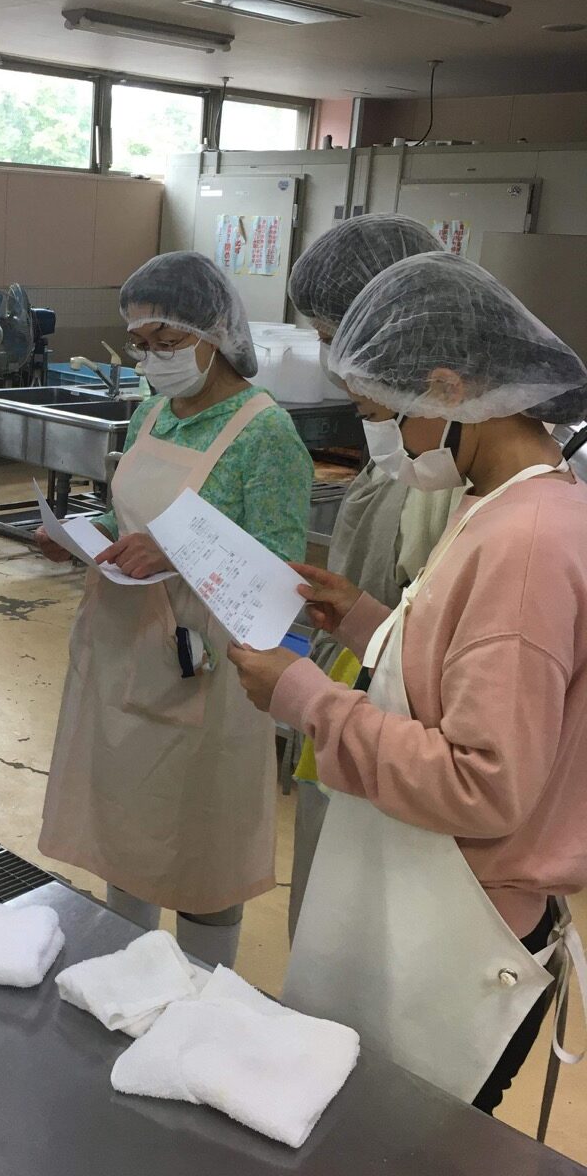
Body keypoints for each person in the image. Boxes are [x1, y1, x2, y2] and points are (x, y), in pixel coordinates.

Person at [229, 252, 587, 1114]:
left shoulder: (528, 544)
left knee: (405, 1139)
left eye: (377, 415)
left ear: (446, 390)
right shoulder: (501, 500)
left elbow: (482, 783)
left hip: (464, 918)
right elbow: (466, 670)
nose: (378, 441)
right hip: (432, 889)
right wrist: (364, 619)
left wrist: (308, 700)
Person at [36, 251, 313, 969]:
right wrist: (85, 536)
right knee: (127, 828)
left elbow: (281, 573)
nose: (154, 358)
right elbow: (129, 515)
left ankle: (198, 991)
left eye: (168, 340)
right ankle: (127, 973)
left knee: (201, 845)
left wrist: (180, 553)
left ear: (215, 333)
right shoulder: (153, 413)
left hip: (209, 668)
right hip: (122, 647)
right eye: (141, 343)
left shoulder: (263, 434)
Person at [283, 213, 453, 939]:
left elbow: (445, 663)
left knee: (366, 935)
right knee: (323, 925)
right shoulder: (401, 446)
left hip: (402, 746)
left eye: (334, 335)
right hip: (353, 702)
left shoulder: (454, 473)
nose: (332, 359)